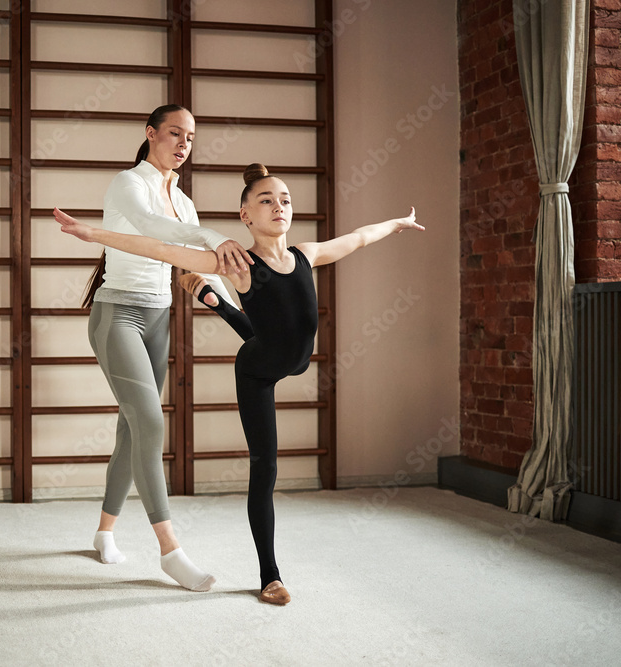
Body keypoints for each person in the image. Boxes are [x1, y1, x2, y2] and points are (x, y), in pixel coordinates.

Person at [56, 162, 424, 604]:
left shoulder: (307, 254)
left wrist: (398, 223)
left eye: (285, 199)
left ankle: (214, 302)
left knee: (267, 334)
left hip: (289, 355)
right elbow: (158, 248)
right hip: (257, 370)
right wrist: (94, 234)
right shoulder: (236, 262)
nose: (278, 206)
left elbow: (360, 236)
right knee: (264, 468)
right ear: (245, 216)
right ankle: (271, 576)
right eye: (266, 200)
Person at [82, 104, 253, 592]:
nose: (183, 143)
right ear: (150, 134)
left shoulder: (184, 200)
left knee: (132, 432)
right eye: (174, 133)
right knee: (151, 422)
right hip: (118, 315)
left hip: (159, 319)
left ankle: (103, 533)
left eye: (191, 137)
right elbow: (152, 229)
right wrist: (214, 236)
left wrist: (245, 313)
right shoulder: (128, 184)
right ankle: (171, 552)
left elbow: (194, 268)